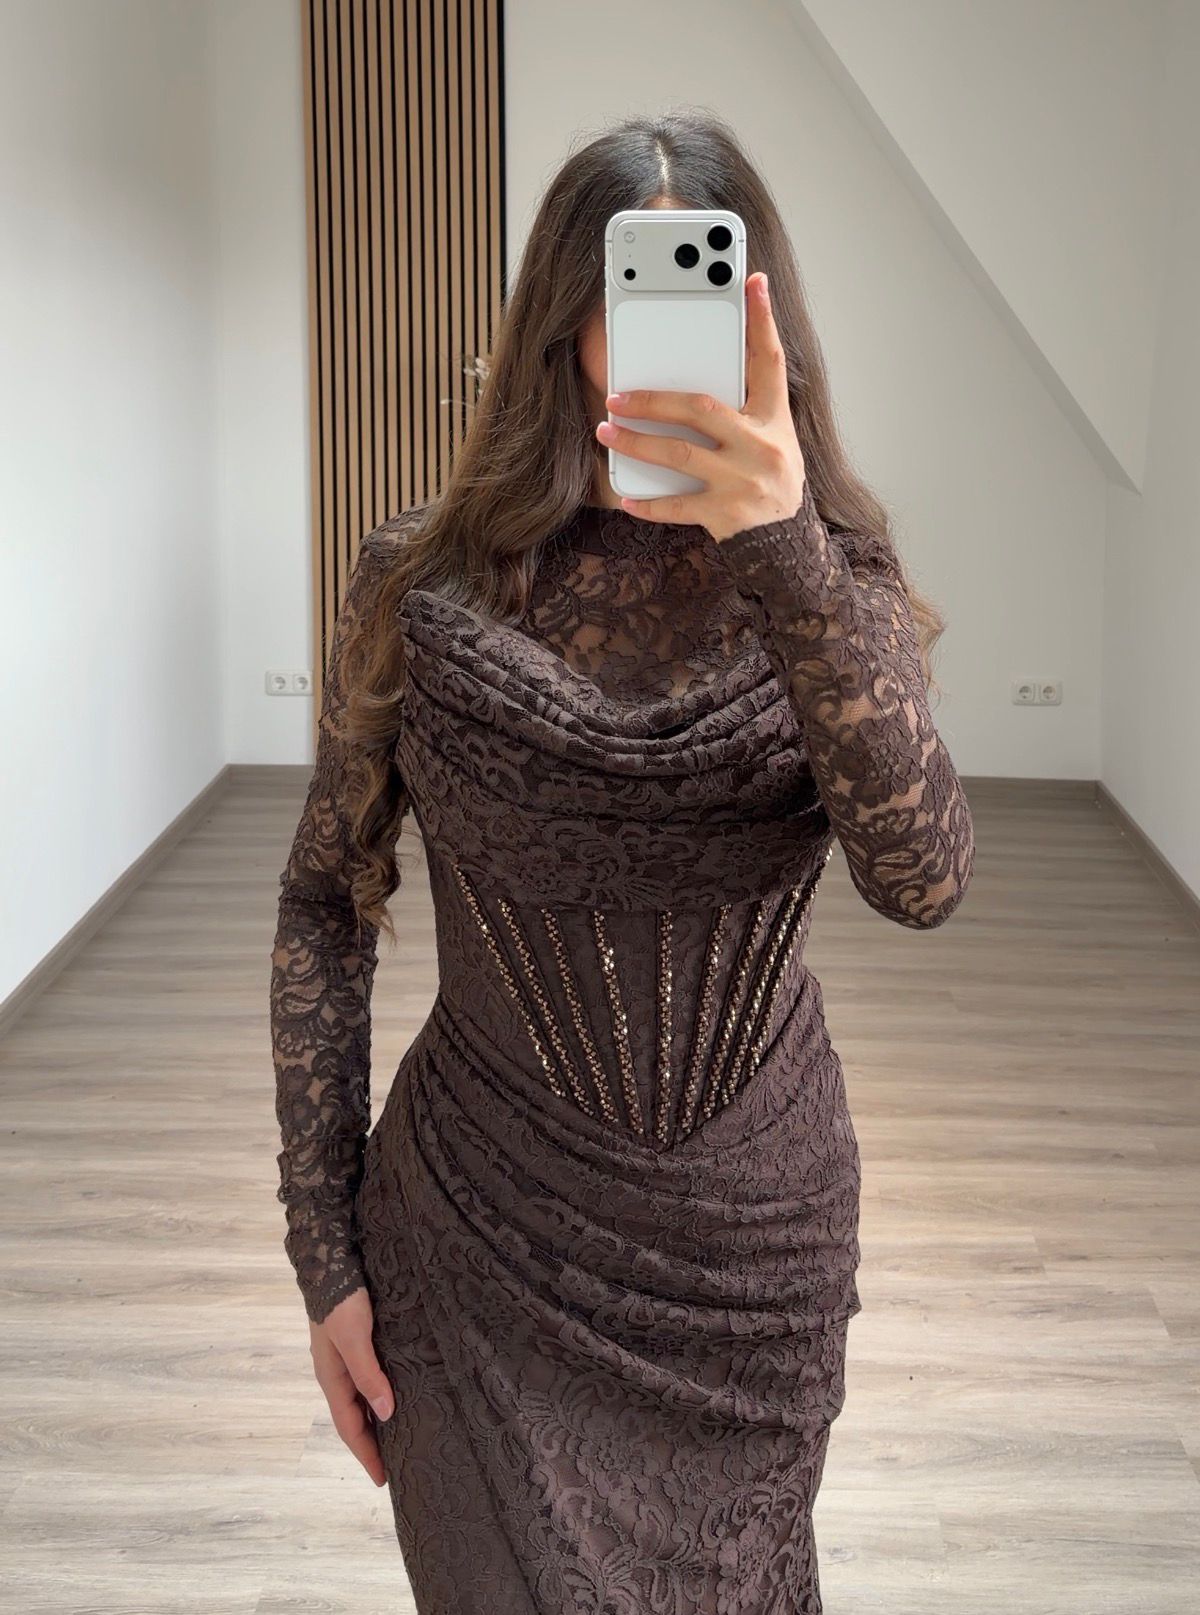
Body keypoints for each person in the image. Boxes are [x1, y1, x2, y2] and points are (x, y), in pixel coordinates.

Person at [269, 110, 974, 1615]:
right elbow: (326, 899)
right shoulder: (421, 582)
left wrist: (780, 549)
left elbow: (923, 878)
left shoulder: (832, 583)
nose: (659, 333)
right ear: (561, 323)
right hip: (475, 1236)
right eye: (626, 293)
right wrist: (323, 1251)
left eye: (701, 290)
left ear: (762, 322)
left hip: (749, 1260)